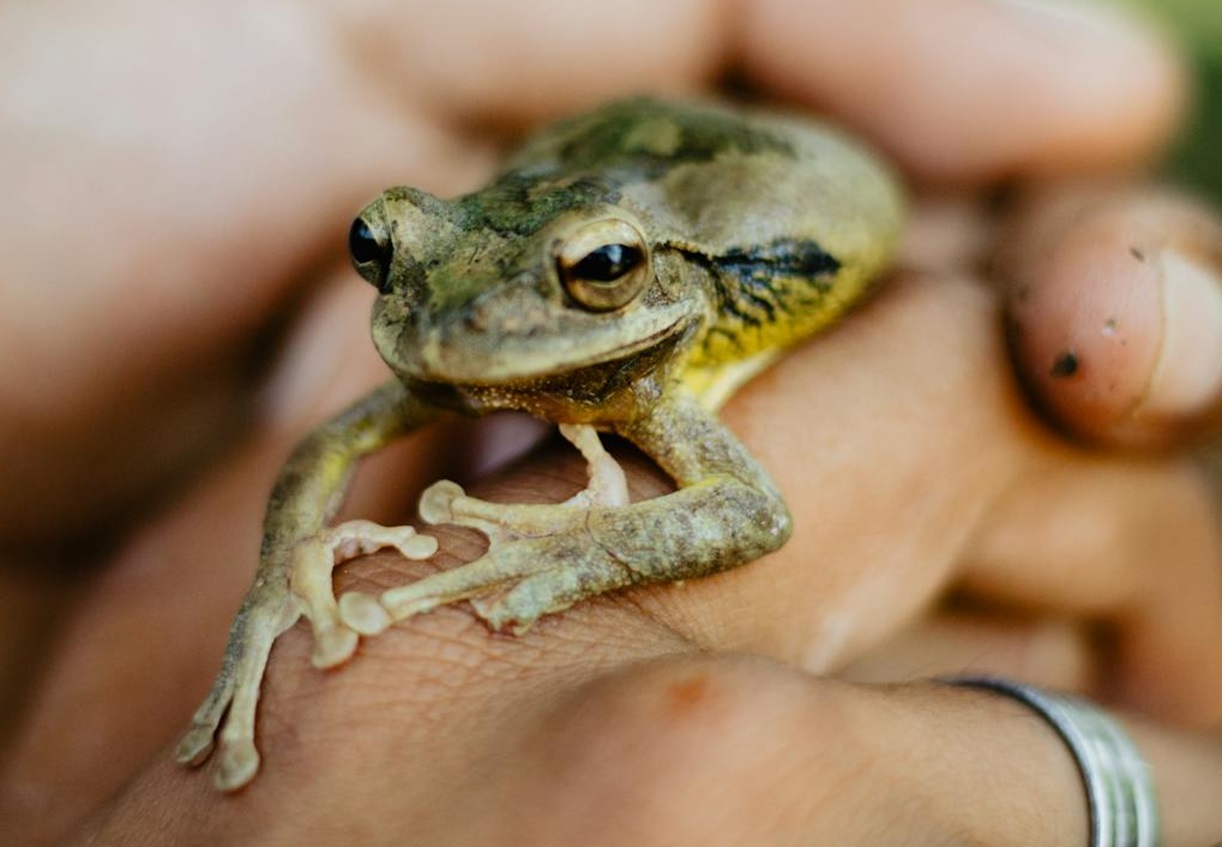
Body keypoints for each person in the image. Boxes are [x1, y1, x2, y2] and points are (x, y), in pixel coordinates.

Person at [1, 0, 1221, 844]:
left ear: (631, 270)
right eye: (388, 253)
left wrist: (574, 548)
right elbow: (330, 444)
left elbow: (750, 505)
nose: (456, 328)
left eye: (590, 273)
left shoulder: (658, 354)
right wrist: (272, 588)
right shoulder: (457, 324)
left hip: (762, 241)